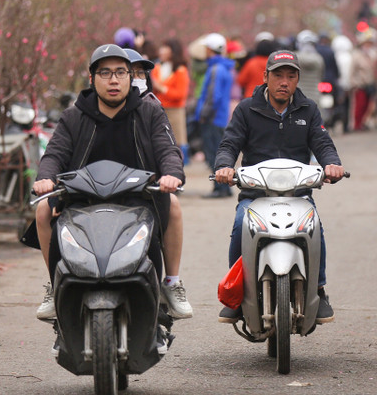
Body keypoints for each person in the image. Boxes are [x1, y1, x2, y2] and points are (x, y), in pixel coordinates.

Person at [28, 44, 193, 322]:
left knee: (173, 204)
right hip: (82, 197)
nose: (113, 80)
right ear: (92, 79)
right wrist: (45, 178)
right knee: (43, 209)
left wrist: (171, 174)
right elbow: (55, 153)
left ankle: (171, 283)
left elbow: (167, 149)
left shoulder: (150, 111)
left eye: (120, 72)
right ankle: (55, 287)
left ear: (131, 77)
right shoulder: (73, 116)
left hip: (140, 196)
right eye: (105, 73)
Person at [213, 50, 346, 324]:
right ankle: (236, 292)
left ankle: (319, 290)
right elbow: (229, 143)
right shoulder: (246, 109)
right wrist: (224, 167)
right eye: (278, 75)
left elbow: (322, 142)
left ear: (298, 79)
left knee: (315, 227)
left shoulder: (308, 109)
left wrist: (332, 164)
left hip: (298, 195)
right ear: (266, 77)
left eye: (291, 76)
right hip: (255, 195)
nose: (284, 82)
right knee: (240, 224)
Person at [194, 32, 235, 198]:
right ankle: (223, 187)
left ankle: (220, 189)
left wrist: (203, 115)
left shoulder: (215, 69)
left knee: (213, 153)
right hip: (219, 117)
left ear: (210, 49)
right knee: (218, 152)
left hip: (212, 118)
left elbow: (213, 96)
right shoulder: (224, 67)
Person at [152, 38, 191, 163]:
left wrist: (162, 88)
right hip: (158, 109)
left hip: (174, 112)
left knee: (176, 143)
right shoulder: (157, 68)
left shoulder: (180, 70)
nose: (161, 51)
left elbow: (180, 94)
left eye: (165, 48)